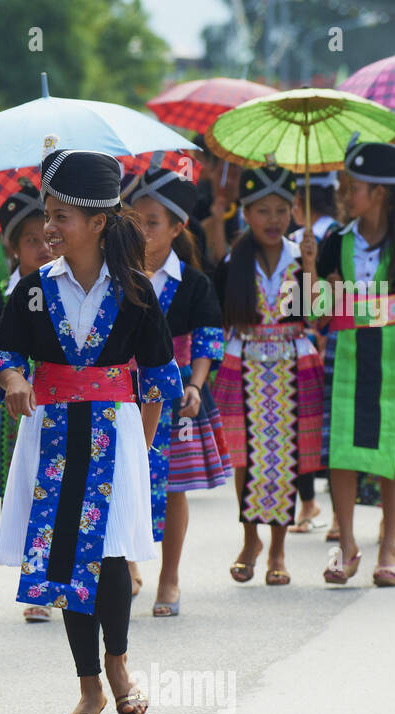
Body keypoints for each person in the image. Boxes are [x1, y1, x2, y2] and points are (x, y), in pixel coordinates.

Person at [0, 145, 182, 714]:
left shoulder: (134, 289)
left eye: (61, 217)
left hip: (116, 435)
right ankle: (89, 688)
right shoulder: (30, 288)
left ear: (98, 223)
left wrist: (140, 450)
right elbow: (3, 351)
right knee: (67, 557)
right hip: (50, 433)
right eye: (46, 216)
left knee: (112, 556)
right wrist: (14, 375)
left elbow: (156, 378)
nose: (48, 228)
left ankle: (119, 665)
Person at [308, 141, 395, 587]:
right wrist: (311, 271)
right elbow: (316, 313)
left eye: (354, 186)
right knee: (340, 450)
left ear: (381, 193)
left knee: (394, 452)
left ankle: (388, 545)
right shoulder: (331, 243)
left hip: (393, 352)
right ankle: (346, 546)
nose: (345, 194)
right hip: (345, 351)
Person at [211, 165, 323, 586]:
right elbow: (220, 313)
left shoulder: (303, 255)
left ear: (295, 210)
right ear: (246, 214)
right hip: (245, 367)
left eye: (281, 209)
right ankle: (249, 538)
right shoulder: (232, 260)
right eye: (262, 210)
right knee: (246, 458)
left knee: (285, 459)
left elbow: (317, 313)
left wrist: (311, 265)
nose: (273, 219)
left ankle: (278, 548)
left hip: (292, 364)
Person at [127, 168, 229, 616]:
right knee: (122, 479)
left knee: (173, 489)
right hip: (126, 393)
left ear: (177, 228)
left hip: (178, 399)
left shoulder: (194, 282)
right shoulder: (119, 277)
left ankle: (169, 579)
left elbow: (207, 341)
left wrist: (194, 385)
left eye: (153, 222)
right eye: (136, 221)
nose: (143, 230)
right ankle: (127, 564)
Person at [0, 179, 55, 623]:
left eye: (48, 237)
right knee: (22, 491)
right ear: (13, 249)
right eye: (31, 241)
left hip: (62, 401)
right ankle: (35, 580)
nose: (43, 248)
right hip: (15, 409)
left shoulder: (69, 287)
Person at [286, 172, 343, 535]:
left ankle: (312, 502)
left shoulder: (312, 240)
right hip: (326, 335)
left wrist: (309, 265)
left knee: (302, 425)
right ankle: (331, 510)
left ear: (298, 206)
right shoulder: (341, 233)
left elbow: (317, 299)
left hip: (309, 337)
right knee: (322, 426)